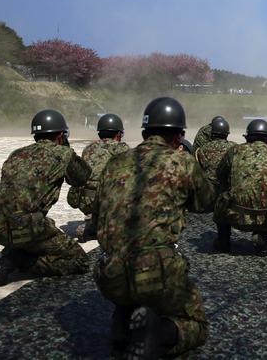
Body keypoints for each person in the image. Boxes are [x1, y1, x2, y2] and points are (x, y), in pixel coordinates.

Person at [93, 97, 213, 358]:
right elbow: (205, 202)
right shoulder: (182, 162)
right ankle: (156, 333)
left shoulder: (114, 163)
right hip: (157, 273)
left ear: (144, 132)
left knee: (129, 277)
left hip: (109, 273)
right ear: (179, 136)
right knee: (197, 324)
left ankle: (122, 320)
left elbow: (97, 217)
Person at [0, 109, 92, 286]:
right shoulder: (62, 154)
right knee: (79, 261)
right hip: (28, 228)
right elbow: (82, 178)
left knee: (29, 226)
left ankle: (17, 251)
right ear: (60, 135)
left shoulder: (17, 153)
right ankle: (19, 260)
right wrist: (67, 150)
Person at [212, 119, 267, 256]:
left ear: (247, 138)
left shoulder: (234, 152)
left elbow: (220, 175)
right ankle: (262, 237)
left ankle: (223, 239)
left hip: (236, 217)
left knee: (222, 190)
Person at [68, 113, 130, 242]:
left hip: (85, 200)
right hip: (105, 201)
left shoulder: (88, 148)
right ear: (118, 134)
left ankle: (93, 222)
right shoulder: (121, 148)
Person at [194, 116, 236, 207]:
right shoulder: (235, 147)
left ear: (212, 133)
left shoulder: (201, 149)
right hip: (226, 192)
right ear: (227, 134)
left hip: (207, 192)